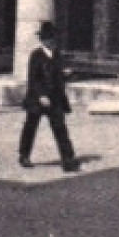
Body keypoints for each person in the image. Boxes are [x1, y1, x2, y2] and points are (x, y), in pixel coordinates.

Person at [19, 21, 80, 172]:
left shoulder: (57, 54)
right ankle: (24, 155)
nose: (52, 41)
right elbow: (33, 79)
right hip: (38, 100)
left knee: (60, 128)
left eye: (53, 38)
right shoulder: (36, 56)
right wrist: (41, 95)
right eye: (48, 38)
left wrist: (65, 75)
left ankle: (68, 159)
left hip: (55, 98)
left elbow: (57, 75)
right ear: (43, 40)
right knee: (30, 127)